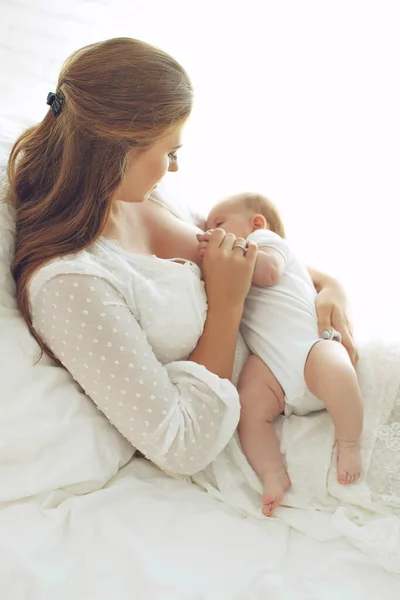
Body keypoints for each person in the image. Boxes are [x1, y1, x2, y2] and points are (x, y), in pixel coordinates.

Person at [6, 37, 357, 485]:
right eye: (169, 153)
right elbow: (181, 444)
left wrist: (330, 287)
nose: (174, 169)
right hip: (269, 418)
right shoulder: (70, 284)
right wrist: (227, 305)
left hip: (311, 355)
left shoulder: (140, 192)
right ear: (118, 150)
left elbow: (245, 254)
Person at [201, 192, 363, 516]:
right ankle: (271, 472)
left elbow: (269, 272)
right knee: (248, 406)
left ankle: (349, 443)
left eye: (219, 224)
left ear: (256, 224)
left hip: (308, 346)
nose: (211, 232)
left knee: (338, 367)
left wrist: (226, 252)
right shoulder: (236, 256)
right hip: (270, 365)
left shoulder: (267, 242)